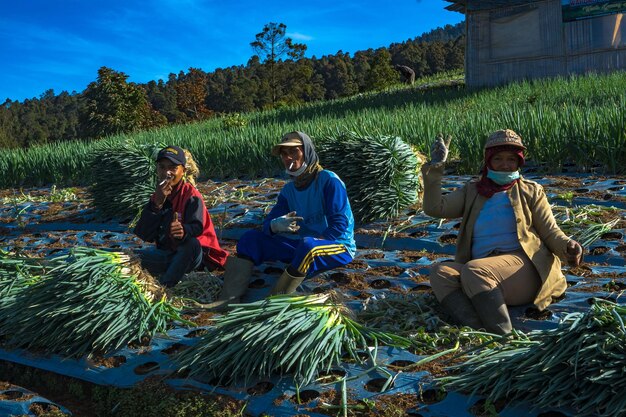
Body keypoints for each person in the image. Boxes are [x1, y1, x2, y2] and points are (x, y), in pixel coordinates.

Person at [422, 130, 583, 335]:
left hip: (523, 268)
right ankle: (478, 330)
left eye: (510, 159)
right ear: (488, 161)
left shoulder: (531, 191)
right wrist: (436, 168)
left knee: (475, 270)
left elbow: (550, 231)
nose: (505, 165)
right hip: (483, 271)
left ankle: (503, 336)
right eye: (498, 159)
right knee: (440, 272)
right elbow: (435, 208)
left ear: (519, 162)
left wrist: (567, 246)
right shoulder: (473, 191)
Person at [207, 131, 356, 310]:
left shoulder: (328, 181)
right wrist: (275, 225)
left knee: (309, 247)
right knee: (249, 239)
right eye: (284, 154)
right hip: (301, 245)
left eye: (294, 151)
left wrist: (313, 244)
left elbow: (339, 226)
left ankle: (276, 301)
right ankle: (229, 298)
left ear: (307, 151)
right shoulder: (289, 191)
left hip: (336, 246)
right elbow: (267, 225)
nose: (288, 158)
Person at [134, 145, 228, 287]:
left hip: (196, 257)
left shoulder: (191, 196)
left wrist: (183, 231)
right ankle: (167, 273)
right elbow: (144, 233)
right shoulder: (158, 196)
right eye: (162, 167)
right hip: (168, 255)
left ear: (183, 170)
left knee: (191, 244)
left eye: (173, 167)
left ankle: (165, 286)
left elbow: (197, 228)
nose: (167, 172)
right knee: (129, 257)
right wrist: (157, 205)